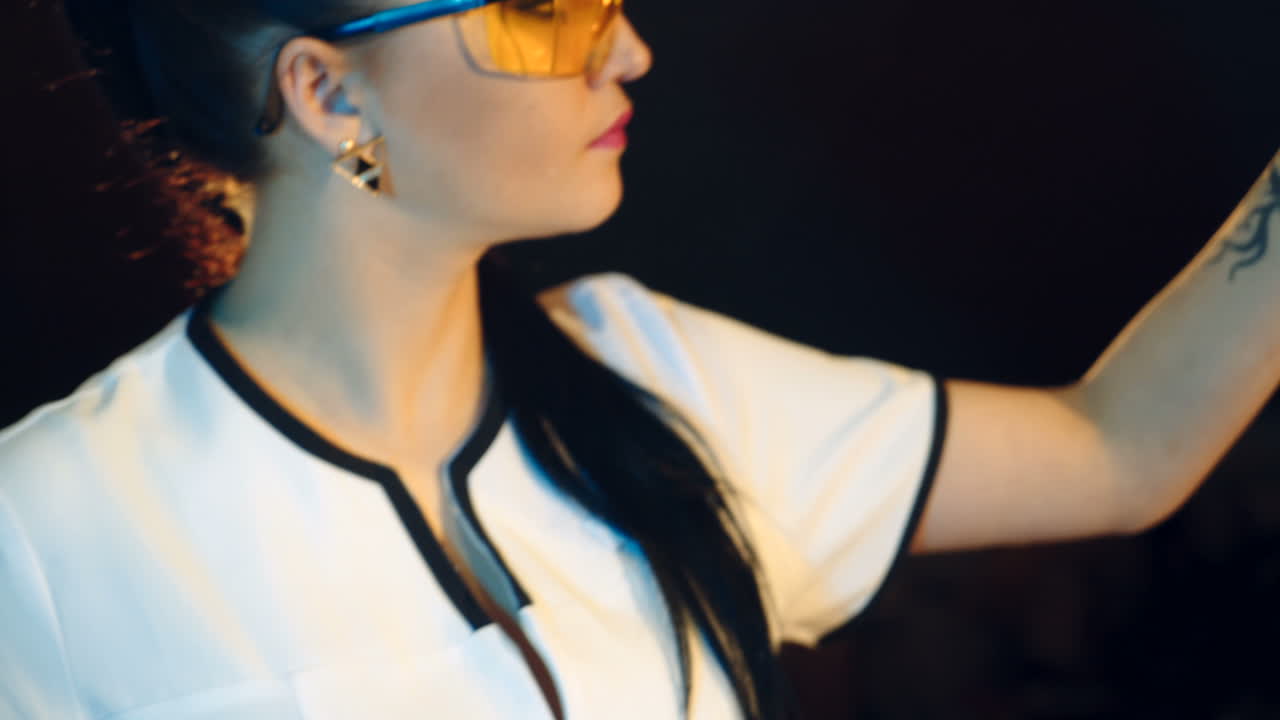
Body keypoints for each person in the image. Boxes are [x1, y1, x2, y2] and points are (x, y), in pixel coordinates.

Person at [2, 0, 1278, 718]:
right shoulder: (50, 531)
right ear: (331, 97)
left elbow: (1123, 448)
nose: (626, 49)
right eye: (542, 12)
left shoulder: (654, 379)